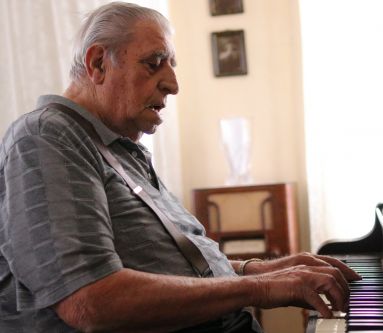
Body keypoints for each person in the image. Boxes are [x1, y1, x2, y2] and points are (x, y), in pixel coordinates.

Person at [0, 2, 360, 332]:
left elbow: (179, 268)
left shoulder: (120, 147)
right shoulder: (47, 136)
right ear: (98, 64)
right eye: (154, 62)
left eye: (172, 65)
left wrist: (259, 269)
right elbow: (91, 300)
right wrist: (261, 288)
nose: (173, 84)